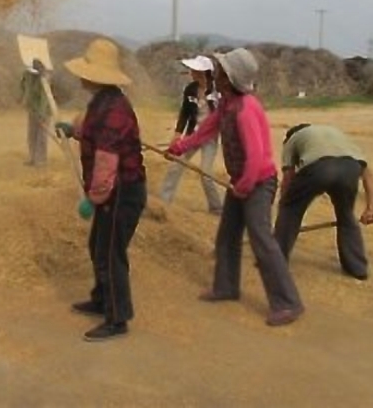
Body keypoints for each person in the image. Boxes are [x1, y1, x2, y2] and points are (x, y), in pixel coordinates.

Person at [165, 48, 304, 327]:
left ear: (230, 78)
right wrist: (179, 147)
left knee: (261, 240)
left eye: (220, 70)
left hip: (258, 182)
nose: (215, 73)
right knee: (227, 235)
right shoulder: (227, 104)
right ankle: (226, 287)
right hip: (242, 181)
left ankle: (288, 302)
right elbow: (205, 131)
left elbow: (255, 155)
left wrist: (244, 186)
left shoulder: (245, 109)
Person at [54, 38, 147, 342]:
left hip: (122, 192)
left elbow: (106, 166)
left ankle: (117, 318)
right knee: (98, 245)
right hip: (115, 190)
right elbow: (91, 128)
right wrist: (74, 130)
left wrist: (92, 201)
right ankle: (100, 298)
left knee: (110, 253)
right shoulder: (103, 102)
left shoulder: (114, 110)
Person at [274, 123, 373, 280]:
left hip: (319, 168)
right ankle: (357, 268)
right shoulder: (336, 133)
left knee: (291, 211)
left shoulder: (291, 140)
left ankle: (275, 261)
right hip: (350, 168)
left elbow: (288, 177)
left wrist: (285, 203)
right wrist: (371, 207)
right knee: (346, 216)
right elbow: (368, 174)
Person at [155, 55, 222, 214]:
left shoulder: (217, 92)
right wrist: (177, 135)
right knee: (176, 165)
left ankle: (216, 207)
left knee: (206, 173)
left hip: (209, 138)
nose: (191, 72)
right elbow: (184, 114)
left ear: (203, 72)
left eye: (194, 70)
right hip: (192, 135)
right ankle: (164, 200)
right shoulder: (190, 89)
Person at [18, 58, 51, 167]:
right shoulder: (27, 75)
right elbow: (23, 87)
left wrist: (41, 113)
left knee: (41, 135)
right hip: (32, 109)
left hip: (44, 111)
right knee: (32, 134)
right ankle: (33, 158)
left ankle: (41, 160)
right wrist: (22, 98)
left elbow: (45, 98)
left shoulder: (44, 78)